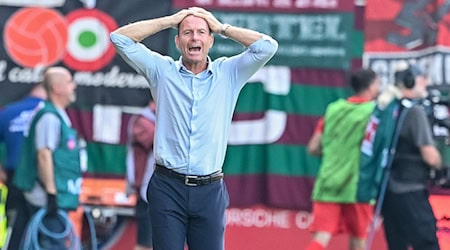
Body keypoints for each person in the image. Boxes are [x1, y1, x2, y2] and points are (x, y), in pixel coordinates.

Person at [110, 6, 278, 250]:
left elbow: (268, 47)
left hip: (209, 190)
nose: (195, 38)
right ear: (178, 41)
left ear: (210, 40)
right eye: (187, 33)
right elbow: (120, 38)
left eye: (201, 32)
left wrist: (221, 27)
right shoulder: (162, 70)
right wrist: (170, 20)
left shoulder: (228, 72)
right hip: (167, 187)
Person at [306, 69, 381, 250]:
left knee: (320, 239)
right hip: (358, 187)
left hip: (328, 183)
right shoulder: (374, 112)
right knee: (358, 241)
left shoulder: (333, 108)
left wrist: (335, 154)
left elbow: (314, 147)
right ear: (371, 87)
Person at [13, 66, 82, 249]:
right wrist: (51, 194)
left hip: (53, 196)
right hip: (45, 197)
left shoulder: (58, 114)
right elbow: (44, 155)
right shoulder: (49, 117)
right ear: (57, 88)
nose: (74, 86)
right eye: (69, 82)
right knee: (53, 244)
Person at [380, 61, 441, 250]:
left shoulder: (387, 109)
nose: (426, 82)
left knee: (397, 245)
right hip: (410, 190)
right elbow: (430, 156)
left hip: (388, 191)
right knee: (427, 243)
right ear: (410, 81)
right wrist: (440, 163)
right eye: (422, 78)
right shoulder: (414, 112)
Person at [0, 83, 47, 249]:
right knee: (44, 233)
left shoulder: (9, 111)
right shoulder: (50, 113)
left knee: (15, 229)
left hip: (14, 180)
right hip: (42, 181)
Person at [126, 101, 156, 250]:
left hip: (171, 191)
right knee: (145, 244)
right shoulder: (143, 119)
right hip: (147, 191)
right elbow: (162, 141)